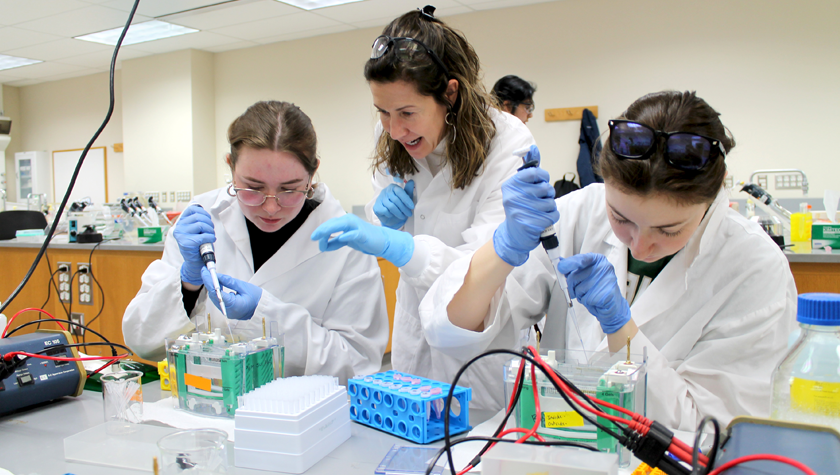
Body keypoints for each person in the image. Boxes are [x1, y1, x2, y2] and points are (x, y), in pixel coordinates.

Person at [419, 91, 797, 429]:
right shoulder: (581, 211)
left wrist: (622, 330)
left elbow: (714, 428)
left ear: (716, 192)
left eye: (668, 230)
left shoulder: (754, 267)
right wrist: (502, 250)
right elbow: (448, 331)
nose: (641, 246)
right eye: (622, 219)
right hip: (556, 449)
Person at [310, 6, 535, 409]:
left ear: (450, 93)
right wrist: (387, 224)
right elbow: (393, 225)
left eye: (407, 113)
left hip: (480, 349)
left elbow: (484, 265)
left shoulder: (508, 143)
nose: (394, 130)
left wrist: (399, 246)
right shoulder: (393, 132)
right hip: (414, 348)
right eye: (383, 112)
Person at [123, 101, 389, 383]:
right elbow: (141, 341)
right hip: (202, 410)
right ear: (230, 165)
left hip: (297, 417)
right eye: (253, 188)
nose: (271, 207)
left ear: (312, 174)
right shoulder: (202, 219)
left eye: (289, 190)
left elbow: (359, 365)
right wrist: (186, 287)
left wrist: (265, 316)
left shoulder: (346, 244)